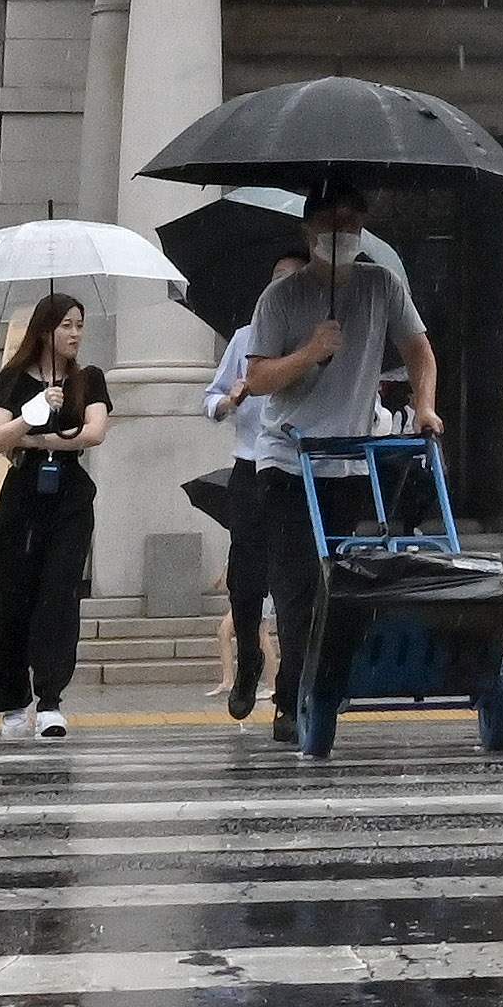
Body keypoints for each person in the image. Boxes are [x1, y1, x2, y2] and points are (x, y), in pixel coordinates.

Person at [232, 185, 441, 744]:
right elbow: (256, 380)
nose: (341, 236)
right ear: (308, 232)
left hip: (350, 461)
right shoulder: (280, 299)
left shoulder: (382, 286)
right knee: (296, 583)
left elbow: (419, 349)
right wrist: (308, 353)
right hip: (287, 459)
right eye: (330, 226)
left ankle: (330, 682)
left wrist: (424, 405)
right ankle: (292, 697)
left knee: (339, 584)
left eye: (351, 225)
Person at [0, 295, 112, 738]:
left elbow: (94, 433)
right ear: (44, 331)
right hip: (23, 494)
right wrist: (30, 416)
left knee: (60, 593)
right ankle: (13, 703)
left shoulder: (89, 379)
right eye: (67, 326)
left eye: (80, 325)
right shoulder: (13, 379)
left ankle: (51, 699)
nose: (75, 334)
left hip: (70, 495)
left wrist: (46, 437)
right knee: (15, 597)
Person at [198, 325, 295, 720]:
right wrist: (230, 402)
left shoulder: (316, 339)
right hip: (250, 465)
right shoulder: (245, 338)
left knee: (295, 577)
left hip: (297, 467)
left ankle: (290, 689)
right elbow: (211, 400)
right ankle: (249, 658)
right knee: (245, 577)